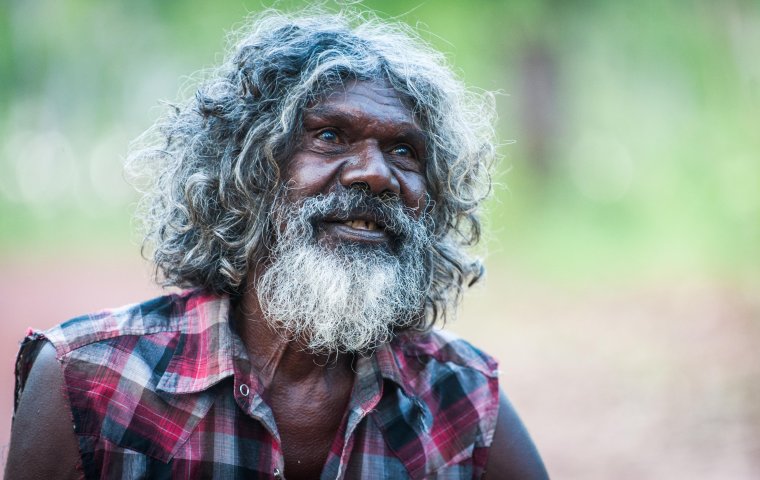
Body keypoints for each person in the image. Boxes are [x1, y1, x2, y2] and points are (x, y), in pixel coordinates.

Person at [5, 9, 548, 480]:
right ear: (245, 172)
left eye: (404, 150)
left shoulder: (462, 399)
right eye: (330, 136)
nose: (376, 174)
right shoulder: (92, 379)